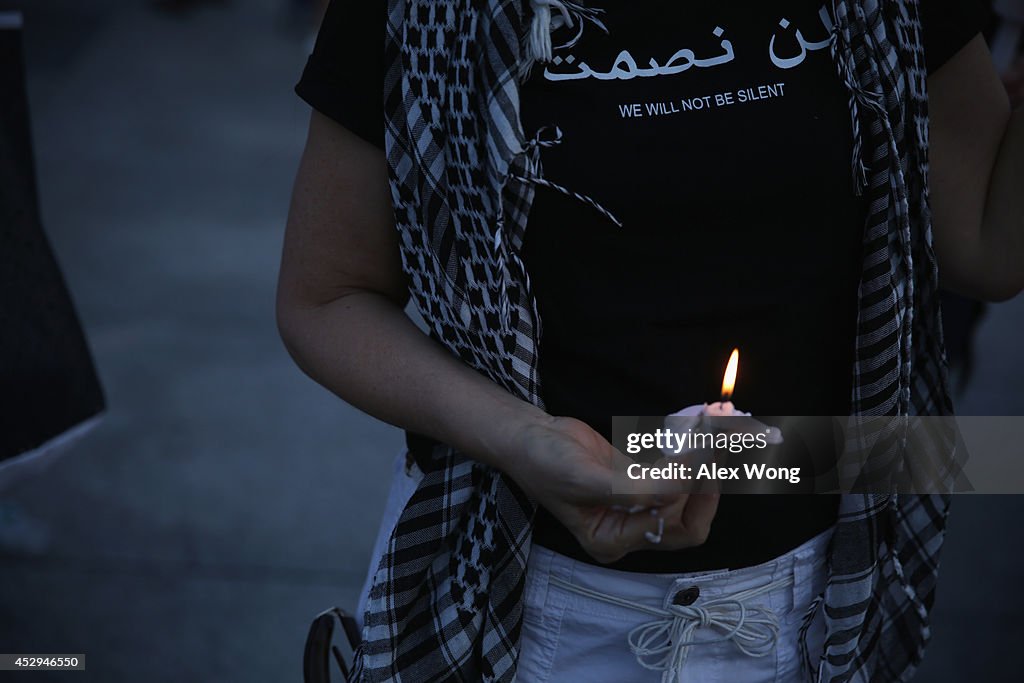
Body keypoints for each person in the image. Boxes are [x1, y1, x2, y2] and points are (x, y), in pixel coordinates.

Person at [278, 0, 1024, 680]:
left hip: (826, 609)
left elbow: (991, 249)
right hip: (519, 607)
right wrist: (523, 439)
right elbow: (325, 297)